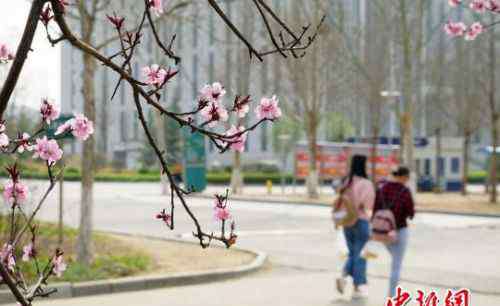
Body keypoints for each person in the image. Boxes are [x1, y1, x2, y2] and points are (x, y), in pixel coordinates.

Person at [336, 155, 375, 298]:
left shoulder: (347, 182)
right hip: (361, 221)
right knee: (360, 255)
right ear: (363, 166)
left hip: (346, 222)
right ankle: (356, 288)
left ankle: (344, 278)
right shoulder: (366, 183)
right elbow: (368, 205)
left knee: (353, 254)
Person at [372, 166, 415, 297]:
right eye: (407, 178)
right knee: (396, 265)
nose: (407, 180)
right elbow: (410, 213)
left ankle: (393, 292)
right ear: (402, 177)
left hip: (383, 231)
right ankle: (392, 296)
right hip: (399, 230)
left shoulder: (381, 188)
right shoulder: (405, 190)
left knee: (394, 259)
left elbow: (375, 209)